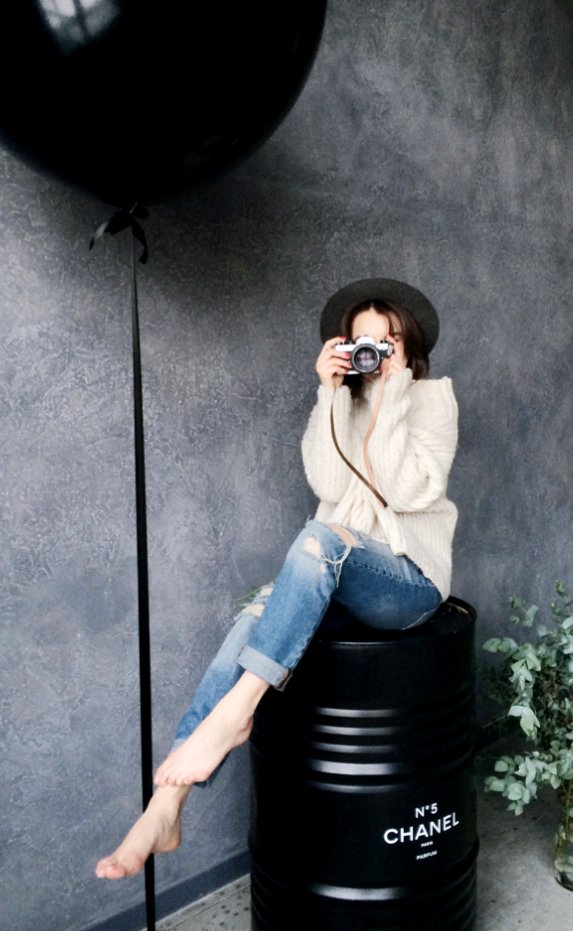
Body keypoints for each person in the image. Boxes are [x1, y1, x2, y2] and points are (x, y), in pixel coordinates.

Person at [95, 278, 458, 879]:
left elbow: (408, 491)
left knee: (317, 538)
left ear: (408, 344)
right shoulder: (344, 399)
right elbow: (330, 486)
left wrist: (393, 398)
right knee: (258, 611)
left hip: (407, 584)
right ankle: (166, 806)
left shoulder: (434, 398)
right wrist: (330, 395)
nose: (375, 353)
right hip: (342, 572)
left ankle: (235, 714)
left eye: (387, 341)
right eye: (362, 343)